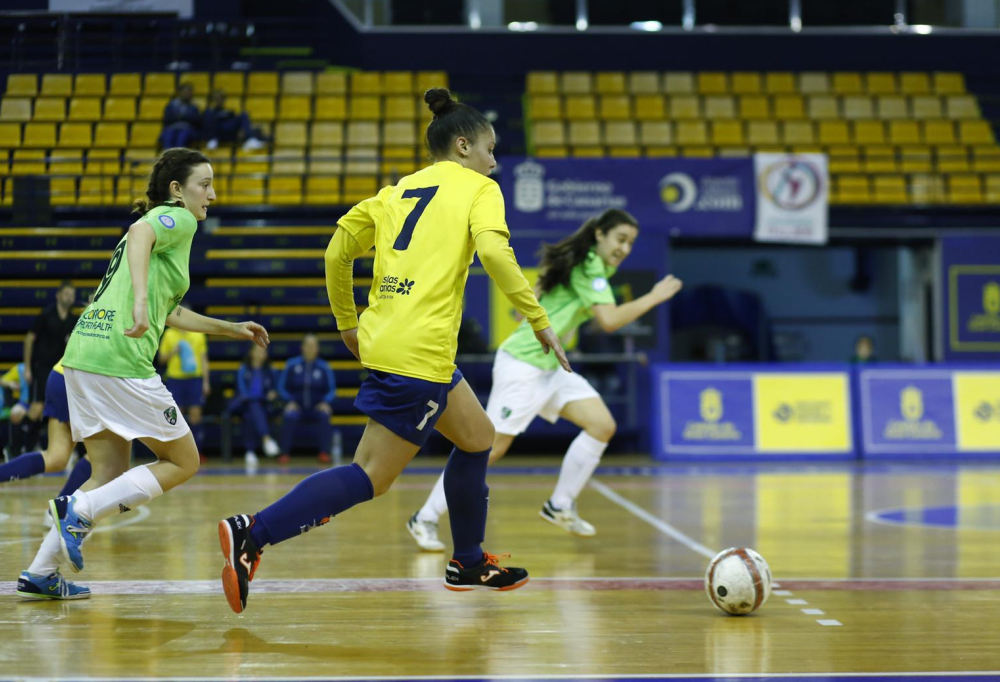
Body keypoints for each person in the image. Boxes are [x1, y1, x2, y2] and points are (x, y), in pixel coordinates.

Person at [216, 88, 570, 614]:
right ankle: (254, 533)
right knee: (371, 477)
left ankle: (467, 560)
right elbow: (495, 251)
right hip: (419, 355)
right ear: (463, 145)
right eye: (491, 149)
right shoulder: (479, 188)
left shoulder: (396, 192)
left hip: (393, 343)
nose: (495, 161)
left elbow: (337, 250)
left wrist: (346, 324)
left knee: (477, 438)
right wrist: (539, 320)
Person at [17, 148, 268, 601]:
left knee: (108, 470)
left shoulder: (167, 236)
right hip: (120, 358)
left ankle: (40, 571)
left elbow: (168, 311)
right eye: (204, 184)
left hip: (83, 352)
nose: (212, 194)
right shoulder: (177, 218)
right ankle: (78, 510)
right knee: (184, 461)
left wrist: (229, 328)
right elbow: (138, 231)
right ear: (177, 189)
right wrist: (136, 304)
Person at [407, 208, 683, 551]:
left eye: (631, 243)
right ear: (600, 234)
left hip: (552, 367)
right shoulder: (591, 266)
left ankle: (560, 505)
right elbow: (609, 321)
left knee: (601, 425)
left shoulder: (586, 262)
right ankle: (425, 516)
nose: (625, 248)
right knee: (486, 449)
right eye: (620, 239)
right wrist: (655, 297)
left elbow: (550, 276)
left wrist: (536, 296)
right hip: (523, 365)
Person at [0, 357, 94, 512]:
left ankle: (58, 513)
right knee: (104, 462)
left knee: (55, 458)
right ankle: (60, 513)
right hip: (87, 378)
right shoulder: (133, 333)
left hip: (60, 373)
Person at [22, 281, 77, 452]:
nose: (69, 297)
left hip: (61, 371)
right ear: (58, 295)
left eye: (72, 294)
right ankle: (18, 446)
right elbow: (29, 339)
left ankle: (64, 451)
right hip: (42, 368)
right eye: (66, 293)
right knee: (36, 409)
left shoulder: (73, 319)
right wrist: (27, 367)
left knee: (63, 412)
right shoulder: (46, 315)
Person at [277, 334, 337, 464]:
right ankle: (284, 453)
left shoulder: (324, 367)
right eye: (308, 346)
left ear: (317, 349)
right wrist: (290, 401)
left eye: (313, 346)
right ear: (302, 347)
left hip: (317, 406)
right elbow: (281, 387)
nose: (310, 348)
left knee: (324, 414)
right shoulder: (292, 365)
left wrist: (325, 402)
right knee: (289, 415)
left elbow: (332, 390)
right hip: (296, 406)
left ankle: (324, 453)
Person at [159, 319, 210, 457]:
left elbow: (203, 359)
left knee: (195, 415)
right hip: (175, 379)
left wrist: (206, 381)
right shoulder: (169, 334)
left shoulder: (198, 334)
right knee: (176, 416)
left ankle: (197, 452)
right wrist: (173, 352)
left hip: (194, 379)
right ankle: (177, 453)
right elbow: (162, 359)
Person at [229, 344, 281, 467]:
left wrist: (273, 394)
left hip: (264, 406)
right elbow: (243, 393)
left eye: (263, 351)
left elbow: (276, 390)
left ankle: (250, 451)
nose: (260, 354)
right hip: (243, 404)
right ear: (251, 352)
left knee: (251, 415)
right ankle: (266, 439)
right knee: (253, 405)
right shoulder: (243, 369)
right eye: (258, 351)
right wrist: (261, 397)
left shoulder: (271, 370)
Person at [202, 89, 267, 152]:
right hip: (219, 134)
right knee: (209, 116)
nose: (219, 100)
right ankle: (213, 139)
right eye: (217, 98)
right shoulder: (209, 113)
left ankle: (250, 139)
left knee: (244, 114)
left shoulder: (229, 112)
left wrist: (241, 130)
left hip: (231, 133)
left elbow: (235, 122)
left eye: (221, 98)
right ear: (213, 100)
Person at [1, 362, 32, 460]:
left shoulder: (46, 365)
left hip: (44, 403)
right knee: (15, 413)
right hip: (25, 402)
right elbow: (1, 380)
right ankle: (14, 450)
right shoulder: (20, 368)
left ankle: (29, 449)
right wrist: (11, 384)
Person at [160, 83, 201, 149]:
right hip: (172, 127)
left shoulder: (194, 107)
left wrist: (181, 118)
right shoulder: (171, 105)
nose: (187, 94)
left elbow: (197, 121)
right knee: (168, 134)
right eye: (185, 92)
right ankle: (168, 155)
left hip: (187, 128)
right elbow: (166, 119)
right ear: (180, 92)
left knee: (182, 136)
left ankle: (179, 155)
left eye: (189, 92)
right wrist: (183, 118)